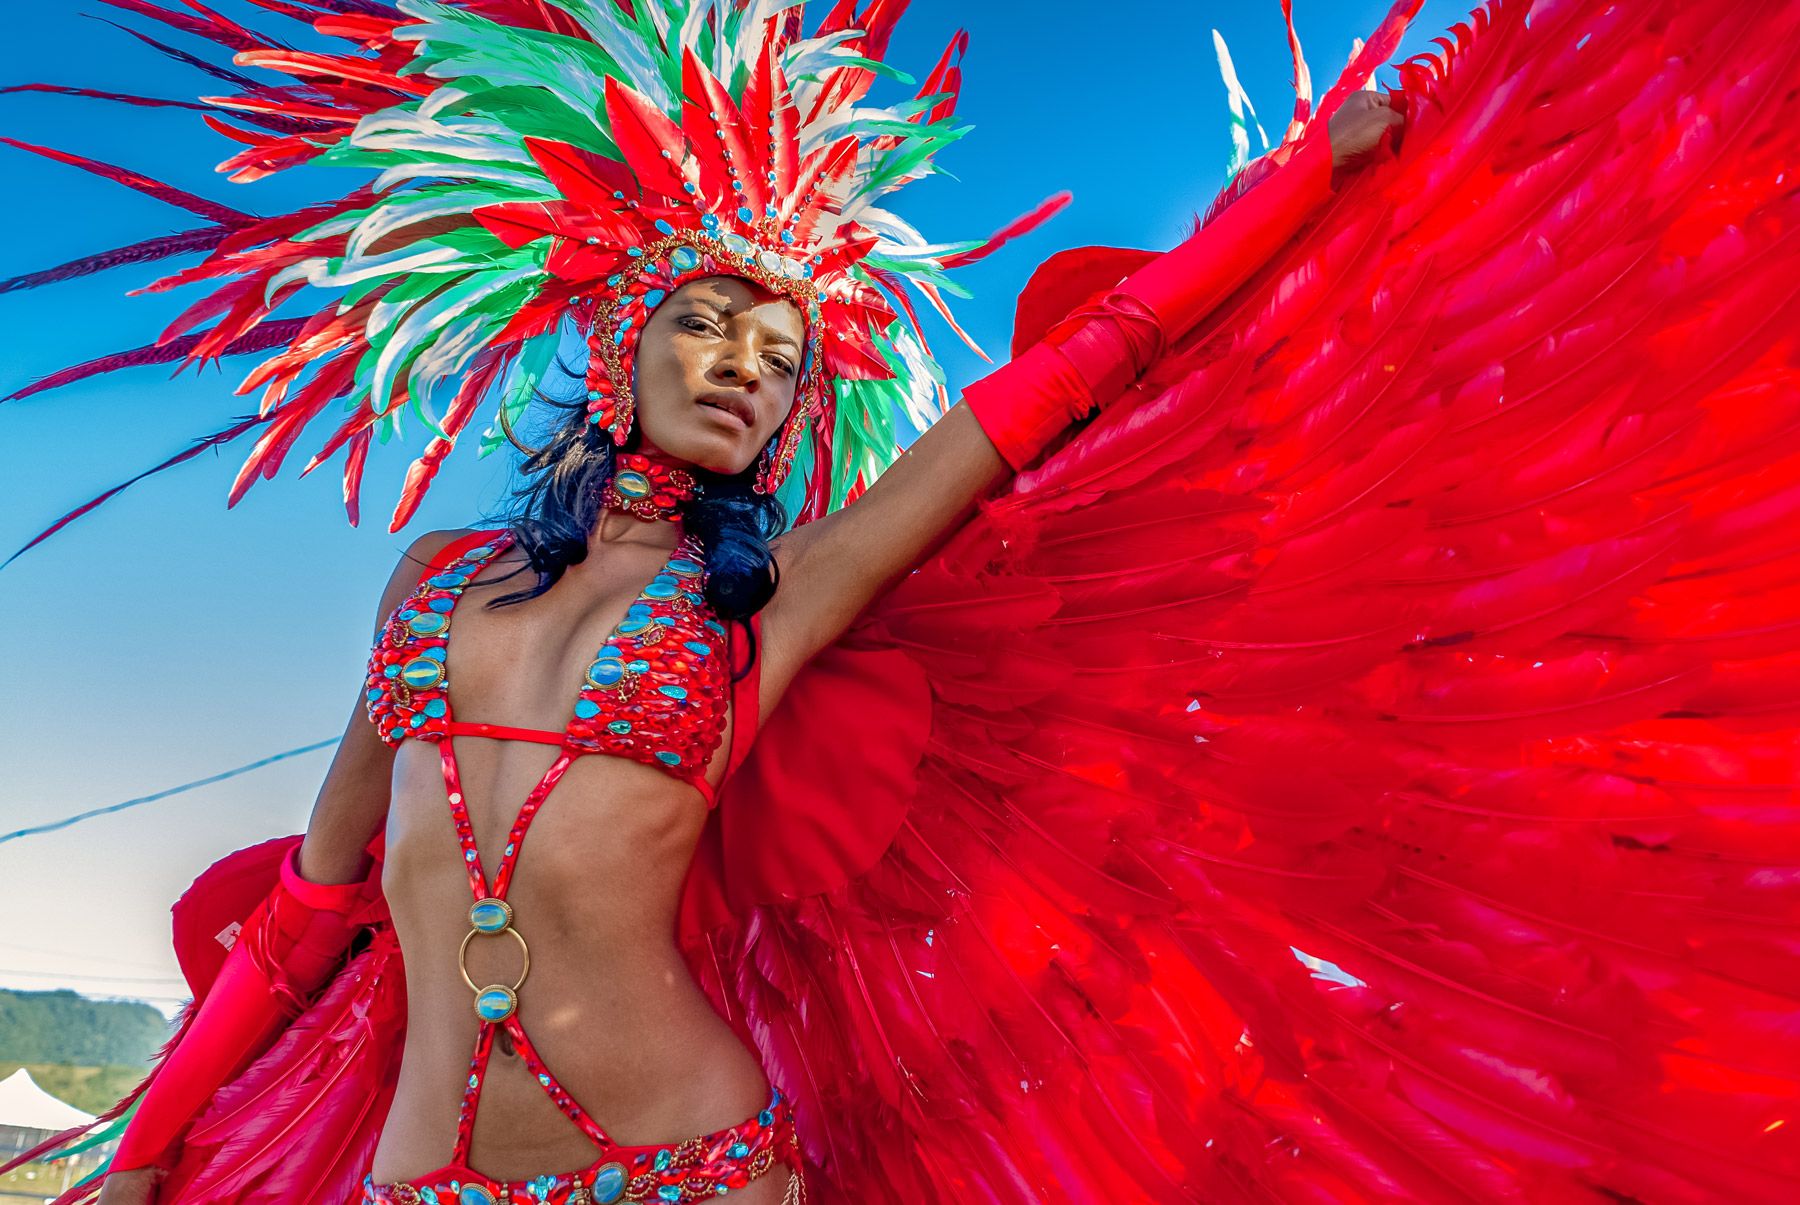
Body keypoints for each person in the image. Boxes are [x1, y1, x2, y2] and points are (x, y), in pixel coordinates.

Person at [7, 0, 1798, 1201]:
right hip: (423, 1175)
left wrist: (1287, 194)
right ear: (617, 337)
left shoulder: (769, 598)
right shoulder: (432, 589)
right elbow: (316, 910)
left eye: (782, 355)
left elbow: (1039, 405)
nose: (743, 367)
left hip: (691, 1163)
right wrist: (154, 1143)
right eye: (708, 320)